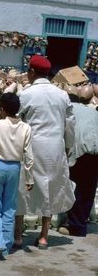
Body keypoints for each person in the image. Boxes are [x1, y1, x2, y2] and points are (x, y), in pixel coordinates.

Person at [15, 55, 76, 249]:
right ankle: (43, 236)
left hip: (31, 147)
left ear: (31, 72)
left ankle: (17, 235)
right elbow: (70, 125)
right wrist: (67, 147)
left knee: (24, 188)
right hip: (55, 148)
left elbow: (17, 123)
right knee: (50, 187)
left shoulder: (26, 94)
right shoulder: (62, 95)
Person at [0, 92, 34, 260]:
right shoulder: (26, 127)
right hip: (15, 168)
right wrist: (30, 178)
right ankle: (5, 244)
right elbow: (29, 155)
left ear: (3, 109)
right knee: (9, 207)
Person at [58, 93, 98, 237]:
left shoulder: (67, 111)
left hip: (79, 150)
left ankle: (76, 227)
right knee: (89, 187)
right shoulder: (91, 111)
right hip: (95, 150)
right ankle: (82, 220)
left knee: (74, 187)